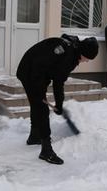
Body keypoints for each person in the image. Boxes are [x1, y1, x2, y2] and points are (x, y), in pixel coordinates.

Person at [16, 34, 98, 165]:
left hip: (37, 70)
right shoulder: (67, 54)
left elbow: (58, 79)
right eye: (87, 58)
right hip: (29, 71)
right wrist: (40, 89)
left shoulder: (72, 52)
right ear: (83, 52)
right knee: (41, 107)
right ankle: (46, 150)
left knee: (37, 104)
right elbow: (53, 78)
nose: (87, 61)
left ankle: (34, 136)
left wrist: (59, 104)